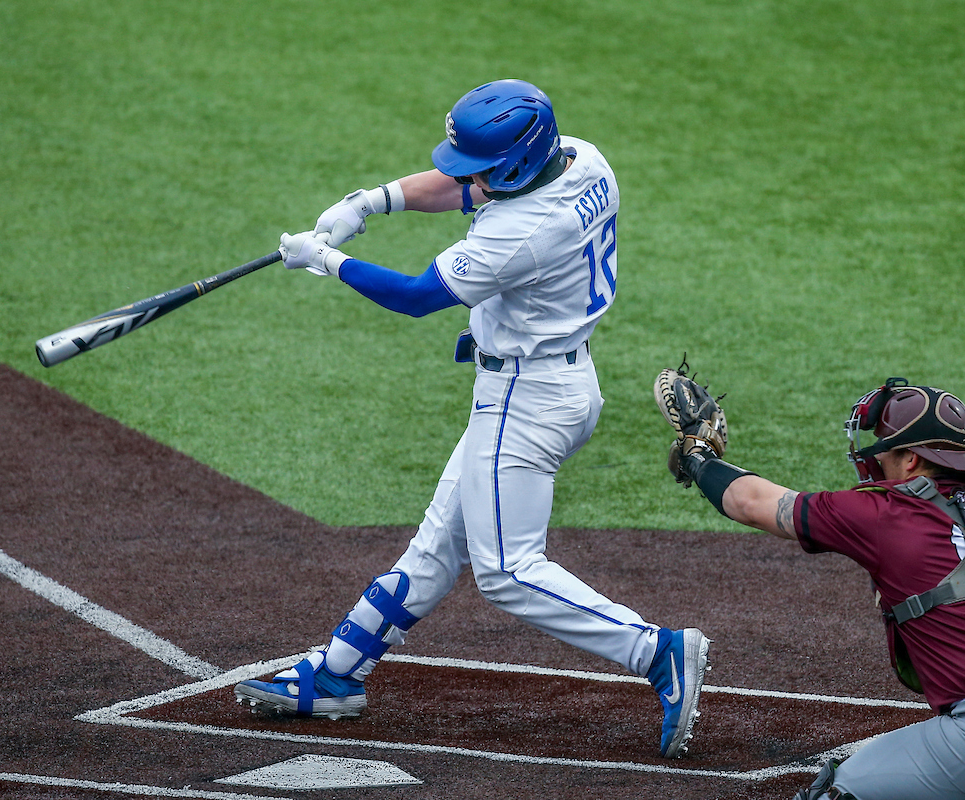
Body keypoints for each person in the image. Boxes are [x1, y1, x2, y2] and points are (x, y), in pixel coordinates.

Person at [233, 79, 711, 759]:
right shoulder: (581, 157)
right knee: (433, 551)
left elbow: (416, 297)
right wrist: (370, 202)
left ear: (515, 162)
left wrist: (327, 260)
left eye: (483, 166)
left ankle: (657, 652)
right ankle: (337, 674)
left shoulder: (521, 233)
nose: (470, 178)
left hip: (526, 402)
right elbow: (465, 186)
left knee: (508, 571)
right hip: (556, 383)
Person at [666, 377, 965, 799]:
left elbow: (750, 503)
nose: (876, 459)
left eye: (885, 449)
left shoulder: (886, 513)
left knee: (834, 793)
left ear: (912, 460)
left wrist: (697, 457)